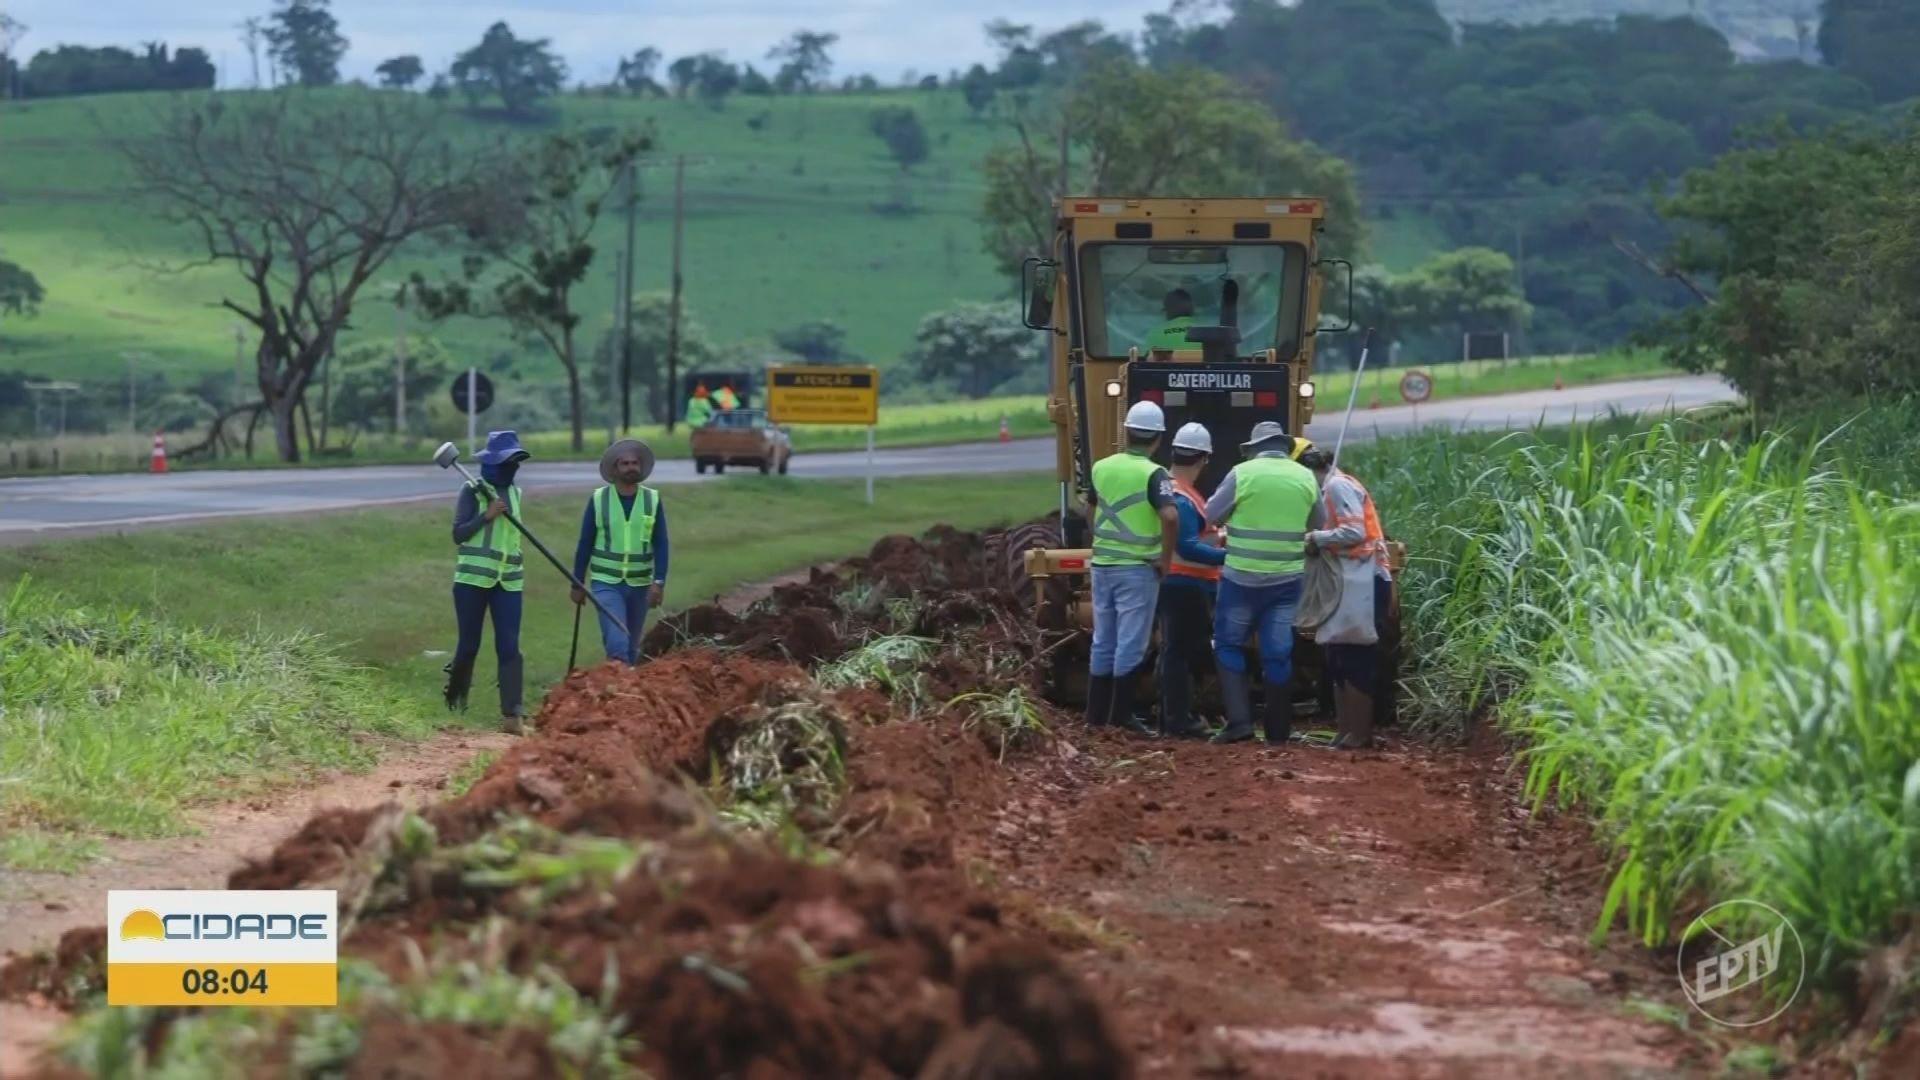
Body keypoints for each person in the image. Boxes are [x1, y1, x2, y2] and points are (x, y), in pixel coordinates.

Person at [1204, 421, 1319, 745]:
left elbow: (1210, 515)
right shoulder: (1305, 476)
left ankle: (1240, 723)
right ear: (1285, 446)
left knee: (1228, 643)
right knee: (1278, 651)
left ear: (1254, 448)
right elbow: (1319, 523)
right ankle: (1278, 732)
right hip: (1286, 579)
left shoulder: (1242, 473)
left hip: (1241, 577)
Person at [1086, 399, 1179, 737]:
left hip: (1103, 564)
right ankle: (1121, 715)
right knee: (1131, 641)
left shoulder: (1101, 466)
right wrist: (1164, 559)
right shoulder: (1155, 474)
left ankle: (1095, 716)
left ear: (1125, 432)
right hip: (1137, 568)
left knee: (1103, 638)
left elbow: (1091, 509)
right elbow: (1170, 515)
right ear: (1157, 439)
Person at [1298, 440, 1392, 749]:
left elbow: (1355, 533)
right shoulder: (1329, 488)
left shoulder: (1337, 486)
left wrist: (1316, 537)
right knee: (1337, 654)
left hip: (1364, 578)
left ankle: (1359, 733)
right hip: (1349, 579)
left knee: (1354, 655)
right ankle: (1345, 731)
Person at [445, 430, 531, 733]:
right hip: (472, 581)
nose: (513, 468)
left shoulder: (516, 494)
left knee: (509, 646)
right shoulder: (472, 491)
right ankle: (455, 704)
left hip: (508, 582)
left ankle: (513, 714)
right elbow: (458, 534)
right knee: (469, 644)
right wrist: (487, 515)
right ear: (494, 462)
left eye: (516, 462)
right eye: (509, 461)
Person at [572, 438, 668, 665]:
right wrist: (576, 583)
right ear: (614, 469)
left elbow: (661, 543)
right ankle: (619, 683)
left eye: (634, 463)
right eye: (624, 463)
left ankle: (624, 695)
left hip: (640, 584)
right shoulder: (598, 499)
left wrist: (659, 582)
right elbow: (585, 543)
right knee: (618, 642)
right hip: (606, 583)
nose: (630, 467)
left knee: (632, 645)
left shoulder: (652, 499)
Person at [1158, 422, 1226, 739]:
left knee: (1177, 652)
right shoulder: (1182, 496)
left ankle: (1175, 716)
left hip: (1182, 583)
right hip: (1185, 584)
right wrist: (1228, 556)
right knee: (1180, 654)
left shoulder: (1177, 491)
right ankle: (1178, 720)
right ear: (1203, 459)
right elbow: (1187, 545)